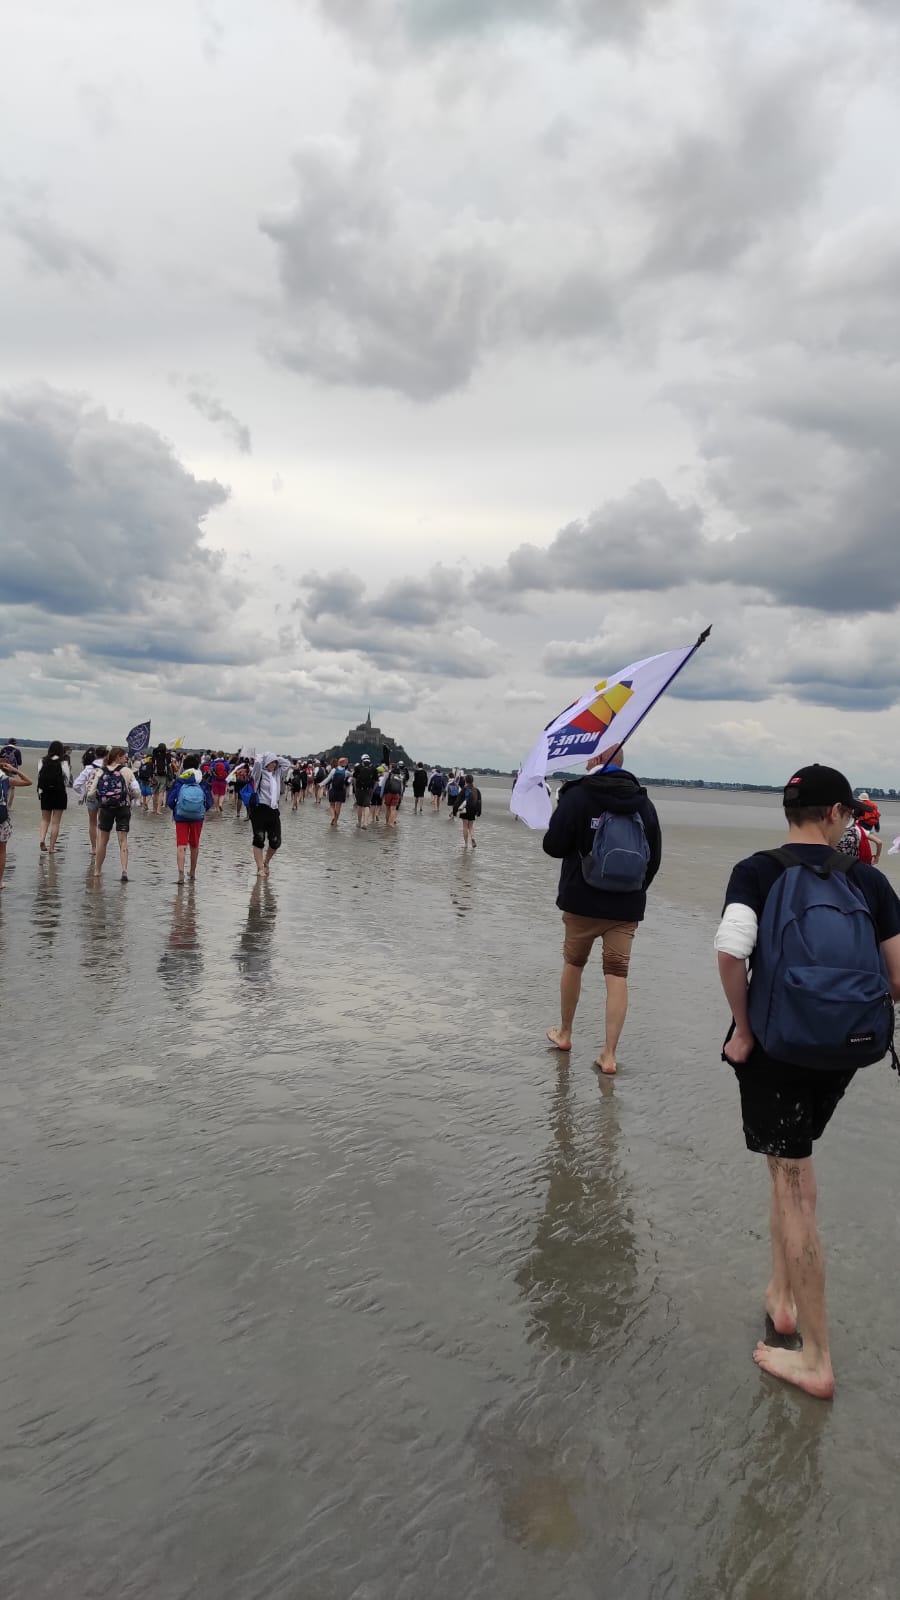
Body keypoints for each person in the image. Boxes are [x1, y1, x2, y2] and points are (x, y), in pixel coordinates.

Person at [716, 763, 900, 1398]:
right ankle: (782, 1297)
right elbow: (898, 978)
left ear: (793, 812)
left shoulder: (757, 870)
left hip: (776, 1047)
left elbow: (730, 948)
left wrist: (742, 1028)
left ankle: (817, 1358)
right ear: (834, 815)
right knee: (792, 1163)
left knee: (791, 1185)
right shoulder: (869, 882)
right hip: (844, 1050)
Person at [542, 743, 661, 1074]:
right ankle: (609, 1054)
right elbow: (655, 859)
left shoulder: (577, 795)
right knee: (617, 975)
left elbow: (552, 846)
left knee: (573, 964)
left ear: (596, 760)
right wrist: (632, 892)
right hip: (625, 908)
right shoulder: (644, 802)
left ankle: (565, 1033)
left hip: (581, 901)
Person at [88, 746, 141, 881]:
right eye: (124, 757)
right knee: (123, 840)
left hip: (105, 809)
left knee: (102, 842)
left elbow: (91, 793)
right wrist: (132, 797)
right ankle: (124, 870)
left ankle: (97, 871)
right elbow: (137, 791)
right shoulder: (127, 771)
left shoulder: (100, 771)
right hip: (123, 807)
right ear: (118, 757)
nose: (126, 758)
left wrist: (99, 799)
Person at [166, 758, 213, 880]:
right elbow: (209, 802)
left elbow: (170, 801)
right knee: (194, 845)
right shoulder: (201, 781)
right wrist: (201, 810)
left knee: (181, 845)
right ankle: (192, 872)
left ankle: (181, 873)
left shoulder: (180, 781)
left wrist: (177, 810)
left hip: (181, 816)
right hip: (198, 817)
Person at [250, 752, 290, 876]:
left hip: (273, 810)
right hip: (260, 809)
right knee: (259, 838)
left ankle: (266, 862)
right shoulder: (259, 773)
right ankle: (260, 868)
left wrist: (276, 757)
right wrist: (263, 757)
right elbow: (256, 764)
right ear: (266, 763)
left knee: (275, 841)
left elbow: (287, 764)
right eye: (271, 762)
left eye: (275, 763)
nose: (273, 764)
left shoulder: (277, 774)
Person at [0, 753, 32, 887]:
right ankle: (0, 881)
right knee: (2, 851)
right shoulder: (6, 779)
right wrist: (15, 770)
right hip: (1, 819)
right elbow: (28, 782)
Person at [73, 744, 108, 855]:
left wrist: (83, 793)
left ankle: (94, 848)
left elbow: (76, 785)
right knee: (103, 823)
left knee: (92, 823)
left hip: (91, 797)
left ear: (95, 755)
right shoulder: (109, 768)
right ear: (107, 755)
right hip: (105, 797)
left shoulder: (89, 768)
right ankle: (102, 847)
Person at [37, 740, 71, 853]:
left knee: (45, 819)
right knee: (55, 822)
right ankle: (51, 848)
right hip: (60, 793)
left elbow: (39, 777)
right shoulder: (64, 762)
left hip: (45, 793)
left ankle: (42, 839)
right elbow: (66, 780)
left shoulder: (42, 761)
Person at [458, 773, 482, 849]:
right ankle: (473, 838)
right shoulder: (477, 790)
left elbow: (459, 800)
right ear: (472, 780)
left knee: (465, 826)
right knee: (471, 826)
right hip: (473, 809)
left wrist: (455, 810)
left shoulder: (464, 789)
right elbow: (479, 801)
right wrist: (479, 811)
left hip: (465, 809)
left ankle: (465, 844)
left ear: (466, 781)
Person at [353, 754, 376, 828]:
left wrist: (355, 788)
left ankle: (359, 822)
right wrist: (373, 789)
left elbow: (354, 779)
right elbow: (376, 781)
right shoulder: (373, 768)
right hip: (369, 789)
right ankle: (365, 822)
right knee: (367, 806)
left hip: (359, 788)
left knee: (359, 805)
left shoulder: (358, 767)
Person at [327, 758, 350, 827]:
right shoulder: (346, 772)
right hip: (341, 790)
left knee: (331, 805)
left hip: (332, 789)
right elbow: (350, 780)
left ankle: (333, 816)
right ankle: (336, 822)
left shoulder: (333, 770)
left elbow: (328, 779)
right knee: (338, 807)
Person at [0, 738, 22, 811]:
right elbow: (19, 763)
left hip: (3, 770)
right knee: (12, 788)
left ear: (8, 742)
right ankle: (8, 807)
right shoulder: (17, 750)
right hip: (12, 770)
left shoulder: (3, 749)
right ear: (15, 743)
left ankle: (2, 804)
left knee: (2, 786)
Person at [150, 743, 172, 815]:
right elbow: (169, 762)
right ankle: (158, 810)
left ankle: (154, 809)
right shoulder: (166, 756)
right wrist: (167, 752)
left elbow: (152, 764)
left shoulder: (155, 755)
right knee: (161, 793)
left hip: (155, 776)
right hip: (163, 776)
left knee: (155, 793)